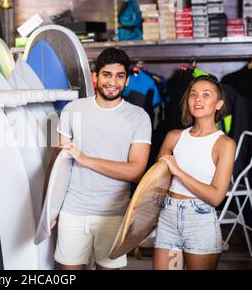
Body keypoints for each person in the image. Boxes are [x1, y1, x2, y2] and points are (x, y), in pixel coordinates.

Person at [54, 47, 152, 270]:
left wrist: (86, 159)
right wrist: (49, 210)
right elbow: (58, 164)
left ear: (127, 80)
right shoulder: (72, 110)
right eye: (107, 75)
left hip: (114, 214)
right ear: (95, 76)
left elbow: (135, 170)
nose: (113, 82)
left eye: (120, 76)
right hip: (73, 210)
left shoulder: (138, 118)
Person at [153, 75, 236, 270]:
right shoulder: (173, 137)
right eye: (193, 95)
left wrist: (178, 172)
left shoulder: (224, 144)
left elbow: (216, 197)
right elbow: (154, 184)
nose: (198, 99)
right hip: (168, 218)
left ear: (219, 104)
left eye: (206, 95)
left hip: (200, 221)